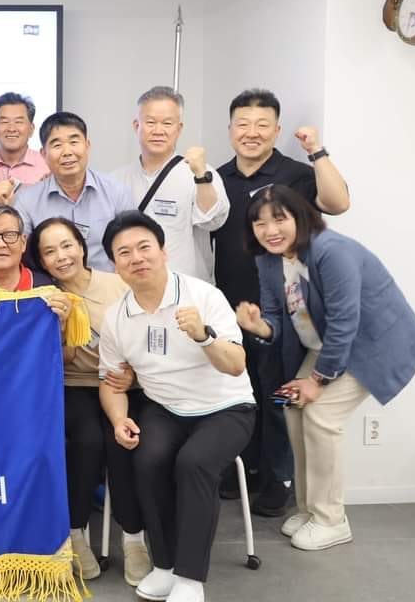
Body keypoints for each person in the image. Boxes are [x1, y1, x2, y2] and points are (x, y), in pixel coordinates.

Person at [236, 185, 415, 551]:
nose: (270, 230)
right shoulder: (268, 260)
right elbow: (275, 315)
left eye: (279, 219)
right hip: (326, 345)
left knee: (321, 414)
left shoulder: (331, 251)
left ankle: (331, 519)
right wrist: (259, 327)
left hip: (369, 343)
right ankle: (309, 509)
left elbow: (344, 322)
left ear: (300, 217)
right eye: (260, 223)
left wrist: (318, 380)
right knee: (291, 405)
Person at [98, 211, 255, 602]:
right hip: (166, 408)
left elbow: (236, 365)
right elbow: (111, 382)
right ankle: (165, 566)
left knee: (193, 463)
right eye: (124, 253)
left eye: (144, 247)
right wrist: (119, 419)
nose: (137, 258)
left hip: (227, 407)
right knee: (147, 460)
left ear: (164, 252)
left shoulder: (204, 296)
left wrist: (204, 337)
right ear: (115, 265)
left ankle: (189, 577)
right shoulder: (116, 317)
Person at [212, 88, 351, 517]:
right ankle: (249, 469)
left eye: (262, 125)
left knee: (278, 396)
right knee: (241, 392)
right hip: (232, 308)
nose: (251, 132)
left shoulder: (295, 173)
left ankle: (280, 479)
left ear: (276, 130)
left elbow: (338, 203)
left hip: (289, 310)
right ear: (230, 129)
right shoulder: (217, 179)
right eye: (243, 124)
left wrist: (317, 151)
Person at [27, 216, 151, 586]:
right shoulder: (45, 298)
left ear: (82, 247)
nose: (61, 256)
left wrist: (133, 375)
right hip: (75, 384)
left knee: (122, 442)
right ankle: (75, 533)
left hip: (124, 383)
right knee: (88, 441)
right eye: (50, 251)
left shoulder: (117, 284)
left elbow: (147, 335)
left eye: (67, 245)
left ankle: (134, 539)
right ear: (42, 261)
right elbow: (54, 357)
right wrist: (62, 326)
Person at [113, 86, 229, 281]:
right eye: (150, 122)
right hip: (133, 288)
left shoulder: (201, 173)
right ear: (136, 126)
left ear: (179, 128)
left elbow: (213, 221)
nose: (158, 131)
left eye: (167, 123)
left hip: (185, 288)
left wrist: (201, 176)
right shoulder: (117, 179)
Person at [13, 112, 134, 273]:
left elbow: (131, 245)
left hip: (107, 284)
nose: (67, 152)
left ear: (87, 145)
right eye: (57, 145)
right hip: (52, 286)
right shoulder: (27, 200)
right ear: (43, 154)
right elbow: (20, 253)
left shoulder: (117, 191)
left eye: (74, 142)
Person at [0, 91, 49, 185]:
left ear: (31, 129)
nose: (11, 129)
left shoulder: (48, 166)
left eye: (18, 122)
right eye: (5, 122)